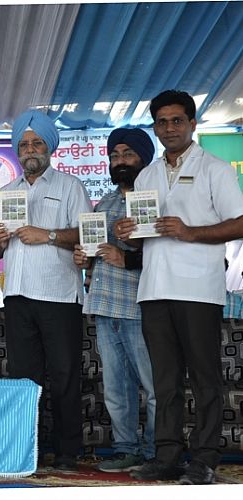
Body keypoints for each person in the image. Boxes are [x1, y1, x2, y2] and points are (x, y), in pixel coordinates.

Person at [115, 90, 243, 485]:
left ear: (192, 124)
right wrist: (128, 233)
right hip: (154, 289)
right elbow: (142, 235)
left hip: (199, 289)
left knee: (205, 377)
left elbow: (239, 222)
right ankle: (167, 454)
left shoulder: (216, 169)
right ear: (155, 128)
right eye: (162, 122)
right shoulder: (147, 174)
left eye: (177, 120)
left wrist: (191, 232)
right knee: (164, 379)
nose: (169, 128)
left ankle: (204, 457)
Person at [0, 109, 92, 471]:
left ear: (50, 148)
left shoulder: (70, 186)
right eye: (24, 144)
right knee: (24, 378)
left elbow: (86, 235)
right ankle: (26, 449)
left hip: (58, 296)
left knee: (63, 376)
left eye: (37, 143)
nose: (30, 150)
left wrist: (46, 234)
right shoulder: (5, 192)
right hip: (17, 296)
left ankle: (66, 453)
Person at [72, 128, 156, 472]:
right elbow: (96, 255)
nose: (120, 161)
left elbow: (165, 252)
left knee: (152, 386)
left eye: (128, 154)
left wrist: (128, 256)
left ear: (144, 158)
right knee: (116, 388)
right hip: (104, 306)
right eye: (115, 156)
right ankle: (126, 449)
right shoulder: (104, 203)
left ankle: (155, 452)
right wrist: (84, 259)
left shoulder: (152, 199)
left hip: (140, 306)